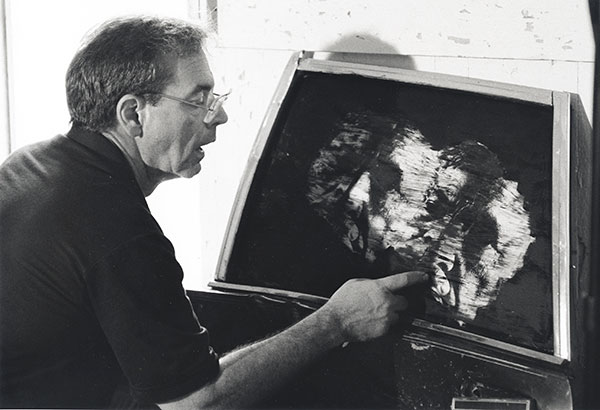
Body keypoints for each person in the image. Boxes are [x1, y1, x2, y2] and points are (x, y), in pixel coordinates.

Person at [0, 16, 427, 409]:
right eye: (198, 99)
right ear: (133, 114)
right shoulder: (116, 230)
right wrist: (337, 322)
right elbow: (197, 403)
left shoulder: (31, 163)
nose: (219, 115)